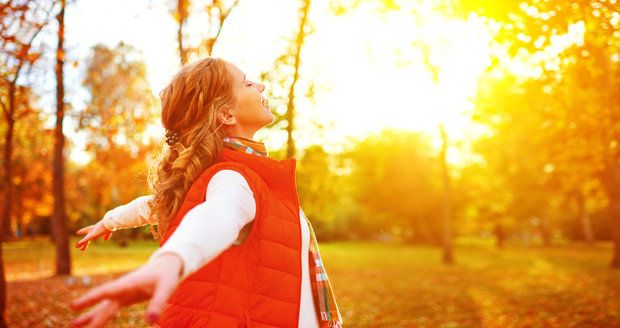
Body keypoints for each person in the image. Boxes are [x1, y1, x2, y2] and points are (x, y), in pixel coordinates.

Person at [70, 57, 343, 328]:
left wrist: (108, 221)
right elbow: (218, 216)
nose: (260, 86)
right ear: (227, 114)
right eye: (247, 83)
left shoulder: (234, 175)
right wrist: (173, 259)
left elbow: (155, 204)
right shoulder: (233, 177)